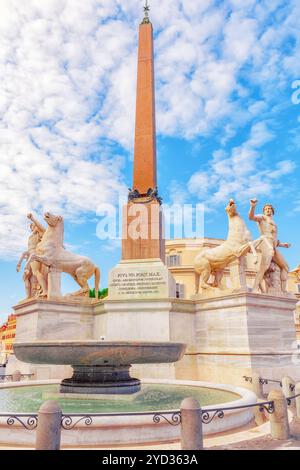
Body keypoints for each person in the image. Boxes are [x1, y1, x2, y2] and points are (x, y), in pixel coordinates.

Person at [248, 199, 290, 293]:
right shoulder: (262, 217)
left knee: (285, 267)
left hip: (273, 245)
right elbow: (251, 217)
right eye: (266, 209)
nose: (268, 210)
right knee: (264, 266)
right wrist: (253, 206)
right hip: (266, 242)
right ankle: (255, 288)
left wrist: (283, 244)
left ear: (272, 211)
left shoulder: (274, 223)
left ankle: (283, 290)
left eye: (270, 209)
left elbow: (274, 238)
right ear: (264, 211)